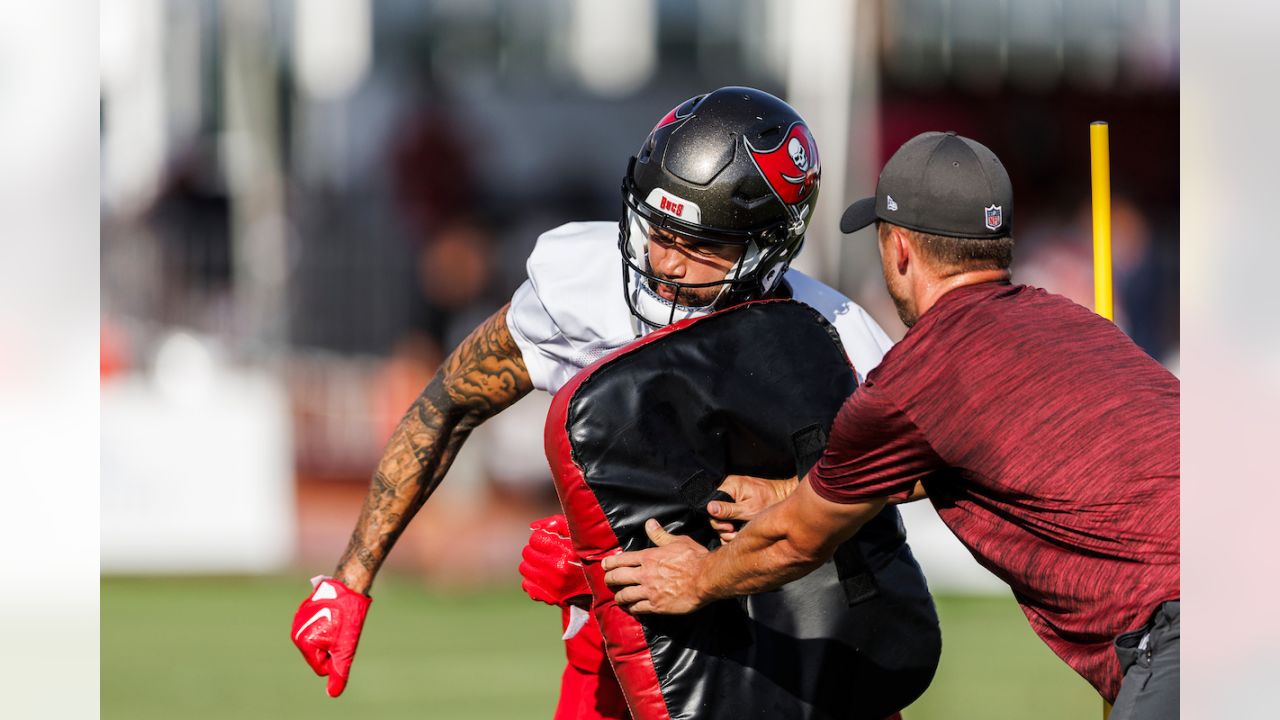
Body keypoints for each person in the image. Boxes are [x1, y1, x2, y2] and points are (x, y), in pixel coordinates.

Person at [290, 87, 934, 718]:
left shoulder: (828, 334)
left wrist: (793, 495)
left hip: (789, 637)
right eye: (659, 230)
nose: (667, 263)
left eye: (701, 244)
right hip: (624, 644)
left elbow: (918, 467)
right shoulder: (585, 283)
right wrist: (350, 580)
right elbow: (448, 405)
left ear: (770, 245)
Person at [602, 131, 1180, 720]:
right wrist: (788, 493)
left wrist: (698, 577)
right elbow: (966, 463)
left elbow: (796, 541)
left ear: (898, 248)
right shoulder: (1075, 324)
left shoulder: (916, 378)